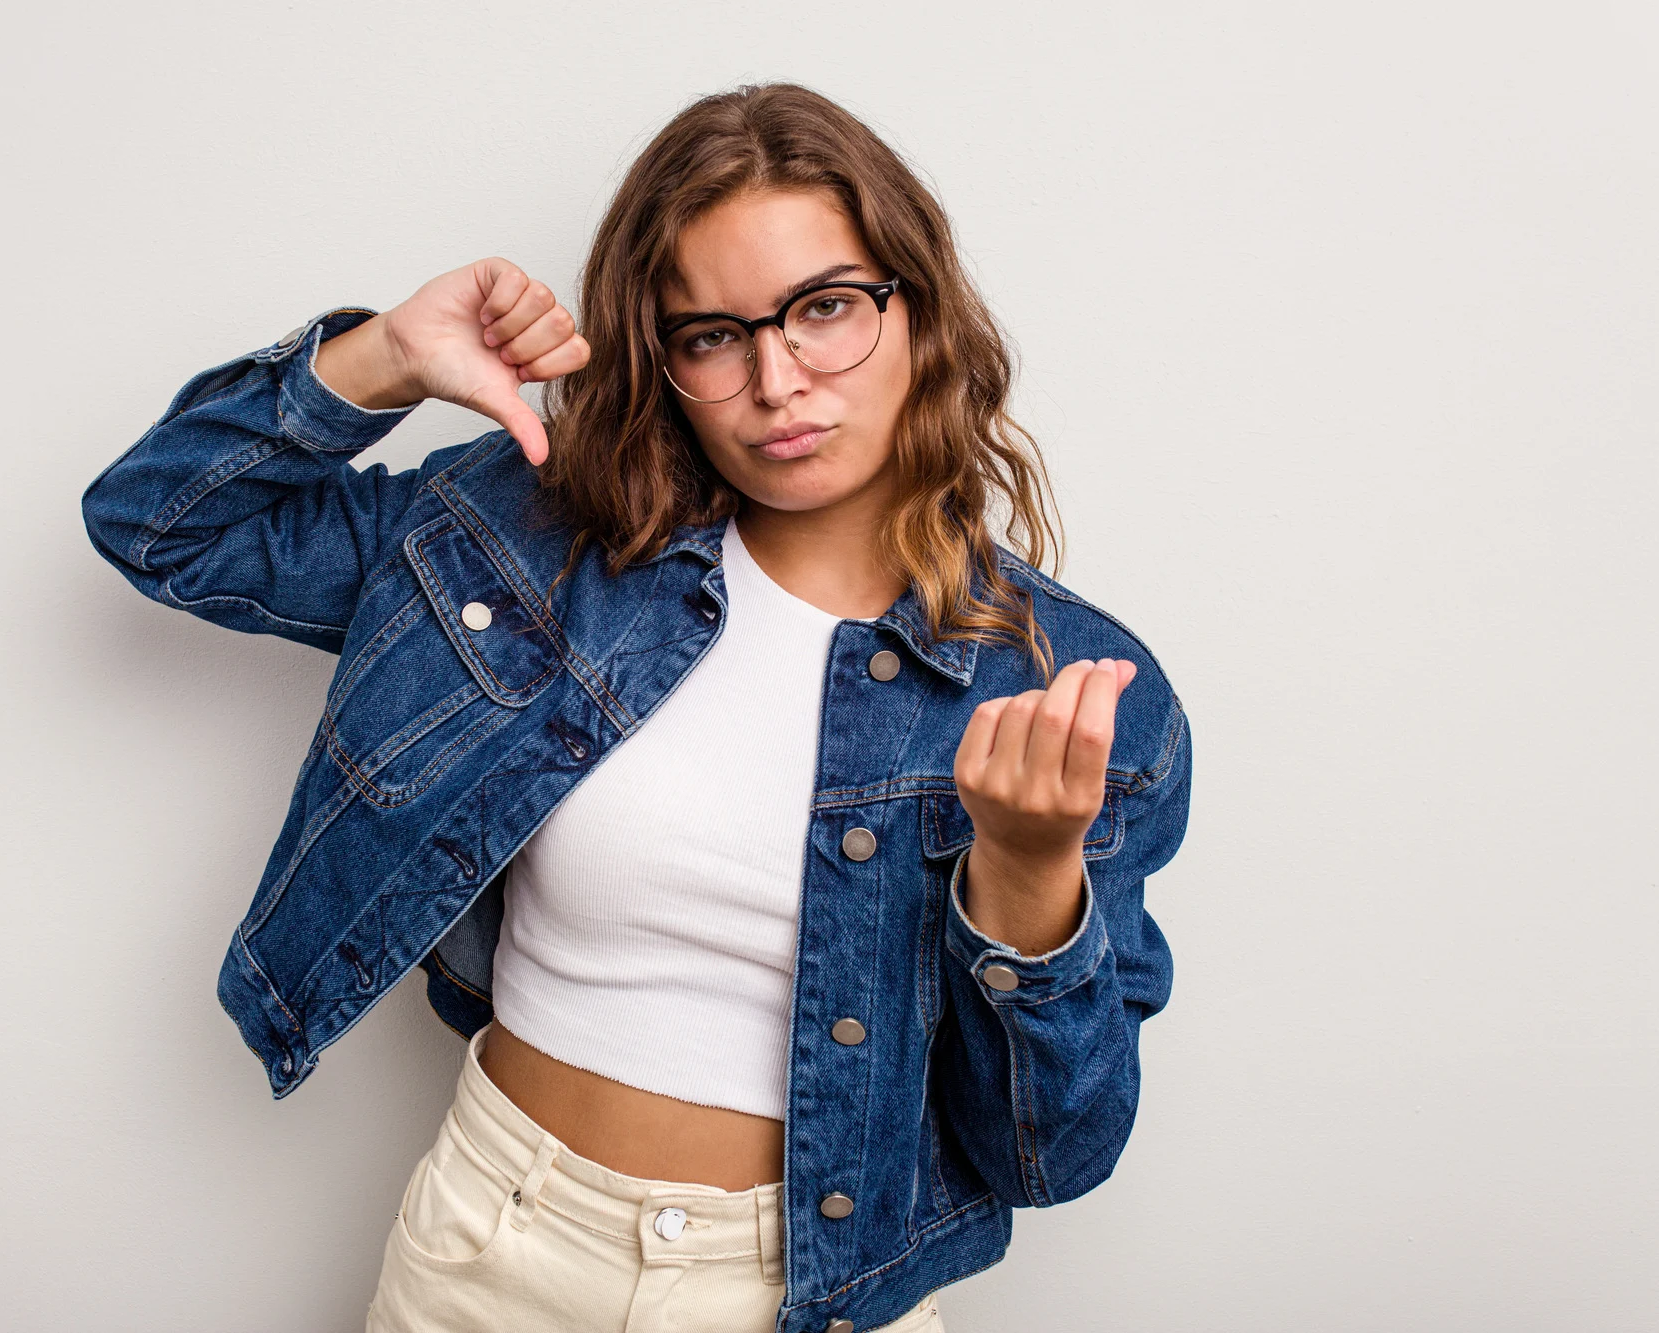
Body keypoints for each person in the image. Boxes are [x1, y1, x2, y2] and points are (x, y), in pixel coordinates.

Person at [81, 82, 1192, 1333]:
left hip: (808, 1299)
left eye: (825, 309)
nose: (776, 380)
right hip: (486, 1250)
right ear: (661, 360)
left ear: (919, 312)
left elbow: (1051, 1152)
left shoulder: (1066, 686)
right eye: (712, 334)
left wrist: (1031, 875)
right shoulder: (531, 535)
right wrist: (385, 353)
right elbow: (160, 522)